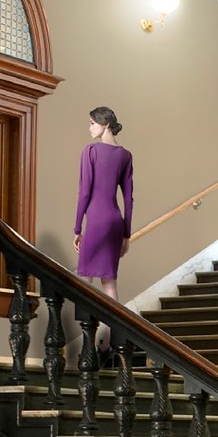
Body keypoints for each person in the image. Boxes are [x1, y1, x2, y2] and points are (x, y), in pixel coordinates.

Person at [73, 106, 136, 298]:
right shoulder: (125, 155)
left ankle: (87, 329)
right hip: (115, 222)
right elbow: (128, 198)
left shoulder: (90, 151)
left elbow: (84, 193)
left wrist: (77, 229)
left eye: (92, 123)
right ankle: (112, 328)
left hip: (96, 221)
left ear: (105, 123)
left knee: (85, 279)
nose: (90, 128)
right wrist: (126, 235)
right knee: (109, 282)